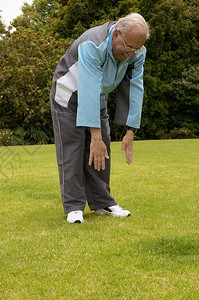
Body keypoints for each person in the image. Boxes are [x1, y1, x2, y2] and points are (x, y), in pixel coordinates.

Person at [50, 13, 150, 223]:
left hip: (98, 97)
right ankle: (74, 207)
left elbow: (134, 88)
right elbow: (88, 87)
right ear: (116, 35)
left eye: (136, 49)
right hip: (69, 96)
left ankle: (102, 203)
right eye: (128, 47)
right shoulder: (92, 44)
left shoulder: (137, 52)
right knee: (73, 148)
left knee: (102, 147)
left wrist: (131, 130)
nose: (131, 54)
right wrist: (94, 138)